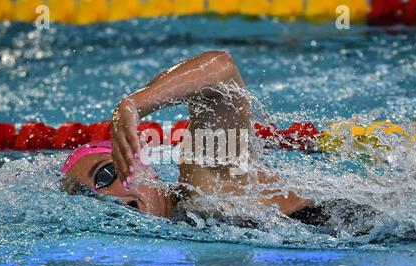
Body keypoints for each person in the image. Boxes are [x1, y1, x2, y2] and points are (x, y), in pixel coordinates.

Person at [61, 51, 378, 234]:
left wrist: (132, 105)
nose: (108, 197)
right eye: (90, 200)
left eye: (104, 175)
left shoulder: (204, 181)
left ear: (142, 163)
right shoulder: (189, 219)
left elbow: (220, 70)